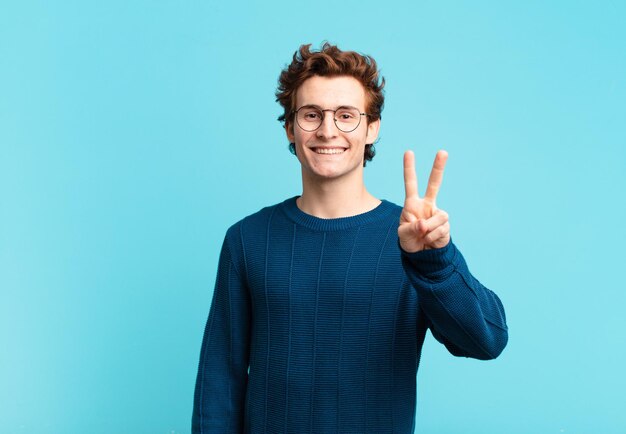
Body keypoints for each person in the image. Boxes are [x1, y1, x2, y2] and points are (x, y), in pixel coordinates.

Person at [192, 42, 508, 434]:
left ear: (372, 127)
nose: (328, 130)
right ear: (290, 127)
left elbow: (488, 340)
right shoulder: (247, 240)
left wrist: (436, 263)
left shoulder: (412, 238)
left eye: (346, 115)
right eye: (311, 115)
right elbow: (219, 381)